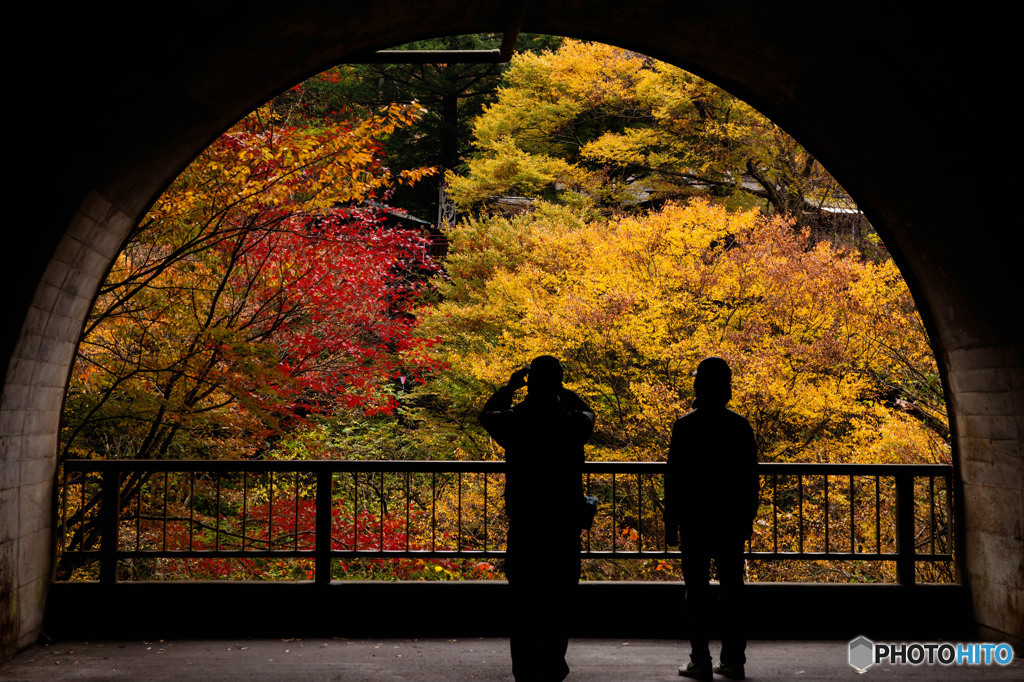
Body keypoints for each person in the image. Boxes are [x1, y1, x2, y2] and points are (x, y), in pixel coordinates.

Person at [480, 355, 595, 682]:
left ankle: (526, 669)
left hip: (526, 523)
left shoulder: (515, 420)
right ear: (557, 383)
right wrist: (567, 394)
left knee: (524, 602)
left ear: (528, 384)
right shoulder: (570, 422)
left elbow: (487, 416)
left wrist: (509, 388)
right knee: (559, 600)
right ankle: (554, 664)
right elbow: (589, 414)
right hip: (563, 524)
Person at [664, 357, 759, 681]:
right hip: (730, 520)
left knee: (696, 591)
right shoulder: (739, 426)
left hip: (695, 520)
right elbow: (750, 478)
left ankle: (699, 660)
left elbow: (674, 479)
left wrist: (670, 522)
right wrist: (747, 517)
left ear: (699, 387)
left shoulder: (685, 426)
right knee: (733, 589)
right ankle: (733, 661)